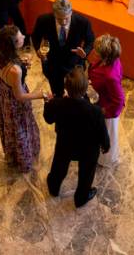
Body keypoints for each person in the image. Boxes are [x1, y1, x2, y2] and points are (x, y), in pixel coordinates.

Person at [44, 67, 110, 208]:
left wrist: (47, 103)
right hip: (88, 149)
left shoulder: (56, 104)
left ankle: (53, 187)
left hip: (65, 144)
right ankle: (81, 197)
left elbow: (48, 119)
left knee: (59, 166)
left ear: (66, 87)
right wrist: (106, 145)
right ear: (86, 88)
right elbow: (101, 132)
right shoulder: (95, 111)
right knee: (87, 173)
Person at [0, 26, 49, 173]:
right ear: (13, 45)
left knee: (9, 125)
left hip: (3, 89)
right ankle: (23, 160)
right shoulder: (15, 71)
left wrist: (22, 63)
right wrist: (41, 94)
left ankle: (11, 155)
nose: (24, 36)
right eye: (20, 37)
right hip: (13, 99)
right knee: (20, 127)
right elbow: (20, 96)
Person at [31, 0, 95, 97]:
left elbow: (90, 40)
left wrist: (85, 52)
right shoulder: (43, 20)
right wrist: (38, 50)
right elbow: (35, 36)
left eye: (66, 18)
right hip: (52, 65)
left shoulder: (83, 22)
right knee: (57, 93)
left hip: (74, 66)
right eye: (60, 19)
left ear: (71, 13)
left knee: (76, 94)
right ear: (54, 14)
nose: (64, 22)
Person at [88, 35, 124, 166]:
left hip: (107, 111)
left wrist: (104, 111)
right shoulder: (109, 61)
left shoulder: (110, 77)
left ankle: (105, 160)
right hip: (100, 100)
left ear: (105, 56)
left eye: (96, 50)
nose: (93, 51)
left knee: (108, 135)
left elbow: (119, 100)